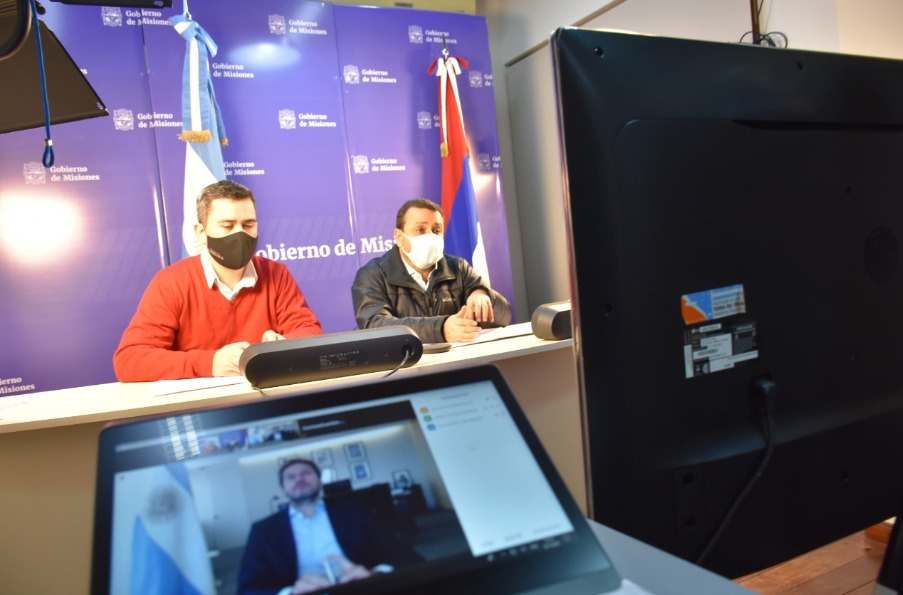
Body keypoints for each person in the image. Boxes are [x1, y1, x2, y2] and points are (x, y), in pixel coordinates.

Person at [113, 180, 322, 381]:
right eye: (227, 226)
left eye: (248, 225)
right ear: (201, 232)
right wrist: (210, 363)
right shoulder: (171, 282)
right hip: (202, 403)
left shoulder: (276, 273)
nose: (240, 234)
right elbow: (130, 359)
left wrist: (284, 345)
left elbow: (311, 332)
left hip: (266, 397)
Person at [237, 459, 421, 595]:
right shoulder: (264, 531)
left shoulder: (355, 511)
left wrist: (374, 574)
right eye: (291, 477)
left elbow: (405, 553)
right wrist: (290, 592)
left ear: (320, 480)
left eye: (306, 473)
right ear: (283, 488)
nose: (299, 478)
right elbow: (246, 588)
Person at [351, 198, 511, 344]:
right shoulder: (372, 274)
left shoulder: (458, 267)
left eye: (436, 230)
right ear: (399, 237)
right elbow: (375, 325)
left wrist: (483, 294)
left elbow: (504, 317)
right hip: (405, 363)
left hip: (457, 361)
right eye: (420, 229)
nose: (430, 236)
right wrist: (440, 329)